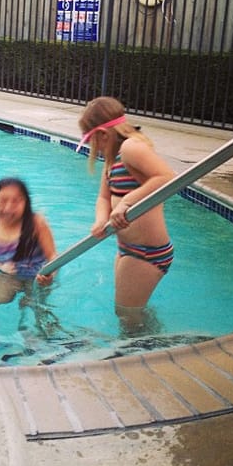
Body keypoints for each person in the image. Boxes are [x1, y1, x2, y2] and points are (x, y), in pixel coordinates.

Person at [77, 96, 175, 331]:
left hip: (147, 252)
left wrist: (125, 203)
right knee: (130, 310)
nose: (94, 148)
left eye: (92, 140)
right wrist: (101, 220)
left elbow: (166, 178)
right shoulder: (112, 160)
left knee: (126, 315)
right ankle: (155, 339)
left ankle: (140, 356)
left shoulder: (131, 148)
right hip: (128, 249)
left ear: (103, 134)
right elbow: (103, 197)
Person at [0, 177, 58, 305]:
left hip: (37, 276)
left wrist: (50, 274)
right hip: (7, 275)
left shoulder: (37, 222)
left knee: (39, 309)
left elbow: (53, 256)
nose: (9, 207)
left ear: (26, 203)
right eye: (3, 201)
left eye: (16, 201)